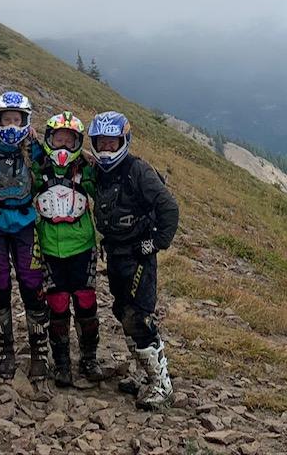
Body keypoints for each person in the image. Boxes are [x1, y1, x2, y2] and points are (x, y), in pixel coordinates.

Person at [89, 111, 179, 410]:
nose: (106, 149)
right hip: (115, 252)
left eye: (112, 144)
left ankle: (161, 382)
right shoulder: (100, 172)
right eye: (100, 143)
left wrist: (156, 243)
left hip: (138, 254)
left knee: (139, 316)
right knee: (121, 309)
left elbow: (168, 207)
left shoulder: (137, 170)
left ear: (124, 141)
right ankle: (142, 374)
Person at [0, 91, 50, 379]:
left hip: (25, 223)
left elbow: (53, 162)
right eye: (6, 119)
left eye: (17, 119)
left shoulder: (32, 147)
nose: (12, 125)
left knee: (32, 284)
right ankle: (4, 352)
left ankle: (39, 353)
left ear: (26, 119)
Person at [33, 111, 103, 387]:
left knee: (86, 302)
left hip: (82, 246)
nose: (63, 146)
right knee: (58, 304)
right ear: (49, 139)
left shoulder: (85, 171)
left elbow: (105, 190)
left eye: (69, 141)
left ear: (78, 144)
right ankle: (61, 362)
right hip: (50, 247)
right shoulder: (38, 169)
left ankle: (89, 358)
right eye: (58, 140)